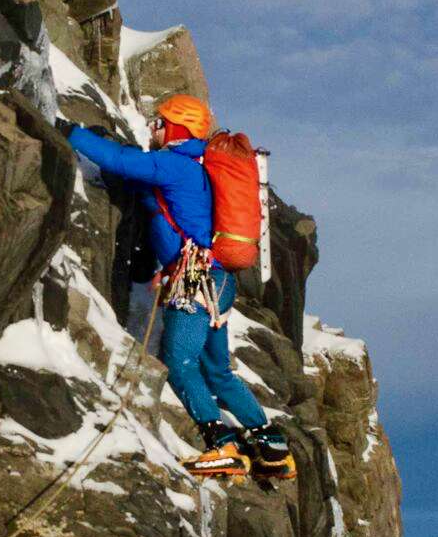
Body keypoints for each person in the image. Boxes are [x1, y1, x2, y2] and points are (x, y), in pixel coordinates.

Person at [62, 93, 295, 482]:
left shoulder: (174, 164)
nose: (152, 128)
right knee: (217, 370)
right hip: (219, 281)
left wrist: (71, 132)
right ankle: (271, 447)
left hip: (194, 280)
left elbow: (122, 162)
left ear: (174, 126)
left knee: (180, 363)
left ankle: (222, 446)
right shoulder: (198, 166)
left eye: (158, 122)